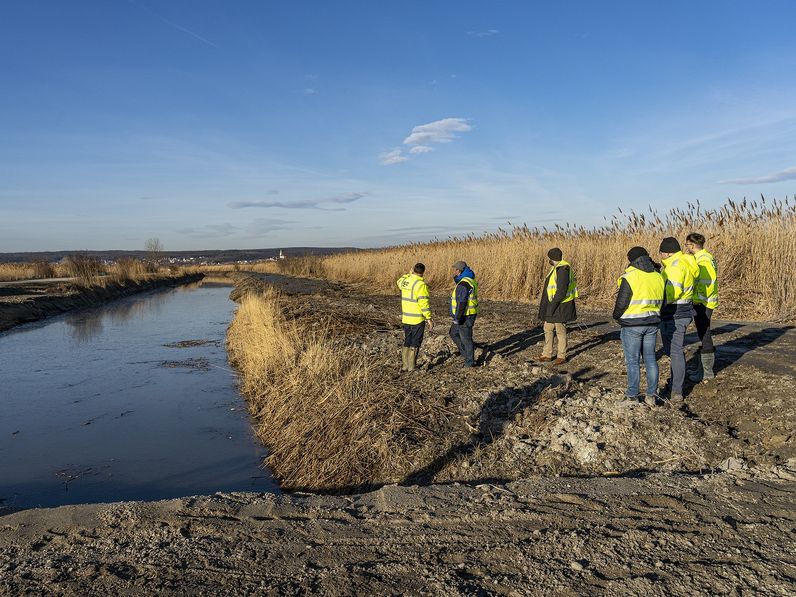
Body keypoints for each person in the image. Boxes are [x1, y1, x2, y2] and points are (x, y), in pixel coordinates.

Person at [613, 247, 665, 404]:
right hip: (652, 323)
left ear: (631, 260)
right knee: (650, 359)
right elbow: (665, 301)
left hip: (632, 324)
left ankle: (632, 395)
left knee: (633, 361)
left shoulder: (630, 276)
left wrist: (616, 316)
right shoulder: (658, 276)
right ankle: (652, 395)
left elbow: (621, 303)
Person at [658, 237, 698, 403]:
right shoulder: (686, 262)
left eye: (661, 252)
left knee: (675, 351)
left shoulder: (674, 268)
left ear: (668, 253)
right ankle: (675, 383)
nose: (659, 254)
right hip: (685, 309)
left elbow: (671, 293)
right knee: (674, 351)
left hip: (674, 313)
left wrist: (657, 305)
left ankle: (676, 391)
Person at [684, 232, 718, 381]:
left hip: (703, 303)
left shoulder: (703, 260)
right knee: (703, 333)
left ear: (692, 244)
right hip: (704, 302)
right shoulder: (705, 257)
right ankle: (702, 369)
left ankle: (707, 372)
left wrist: (697, 300)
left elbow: (706, 283)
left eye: (686, 245)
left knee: (705, 334)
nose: (686, 247)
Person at [537, 248, 578, 365]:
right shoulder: (555, 268)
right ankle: (547, 354)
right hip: (553, 304)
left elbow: (561, 291)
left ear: (551, 258)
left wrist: (553, 305)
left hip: (560, 305)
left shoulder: (563, 269)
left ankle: (561, 356)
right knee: (547, 328)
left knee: (560, 330)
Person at [396, 263, 433, 371]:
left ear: (413, 270)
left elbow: (399, 281)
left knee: (407, 340)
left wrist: (408, 274)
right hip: (417, 319)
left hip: (406, 318)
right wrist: (429, 318)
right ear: (423, 272)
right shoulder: (421, 285)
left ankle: (405, 365)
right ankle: (412, 367)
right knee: (415, 342)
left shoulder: (405, 281)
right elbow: (424, 303)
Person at [449, 261, 478, 367]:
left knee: (466, 338)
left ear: (459, 271)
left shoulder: (463, 284)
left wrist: (457, 318)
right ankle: (466, 354)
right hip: (469, 313)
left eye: (455, 270)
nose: (454, 272)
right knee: (453, 333)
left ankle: (469, 362)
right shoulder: (470, 280)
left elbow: (462, 303)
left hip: (464, 315)